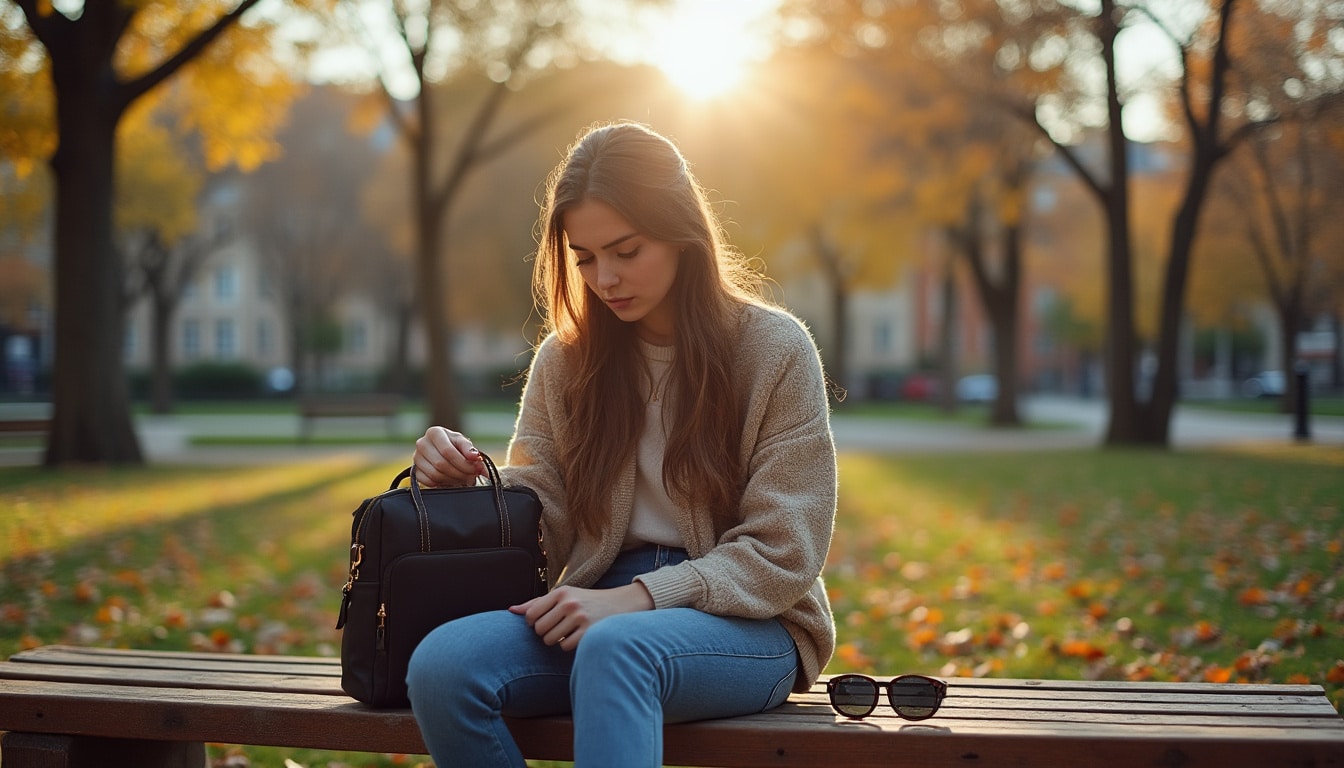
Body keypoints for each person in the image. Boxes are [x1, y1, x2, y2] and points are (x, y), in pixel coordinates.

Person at [407, 121, 837, 768]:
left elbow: (785, 550)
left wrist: (638, 599)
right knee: (443, 666)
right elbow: (543, 517)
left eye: (625, 251)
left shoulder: (774, 350)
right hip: (594, 600)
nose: (603, 278)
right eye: (583, 258)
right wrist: (463, 486)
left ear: (682, 233)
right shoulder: (565, 361)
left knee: (618, 650)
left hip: (751, 620)